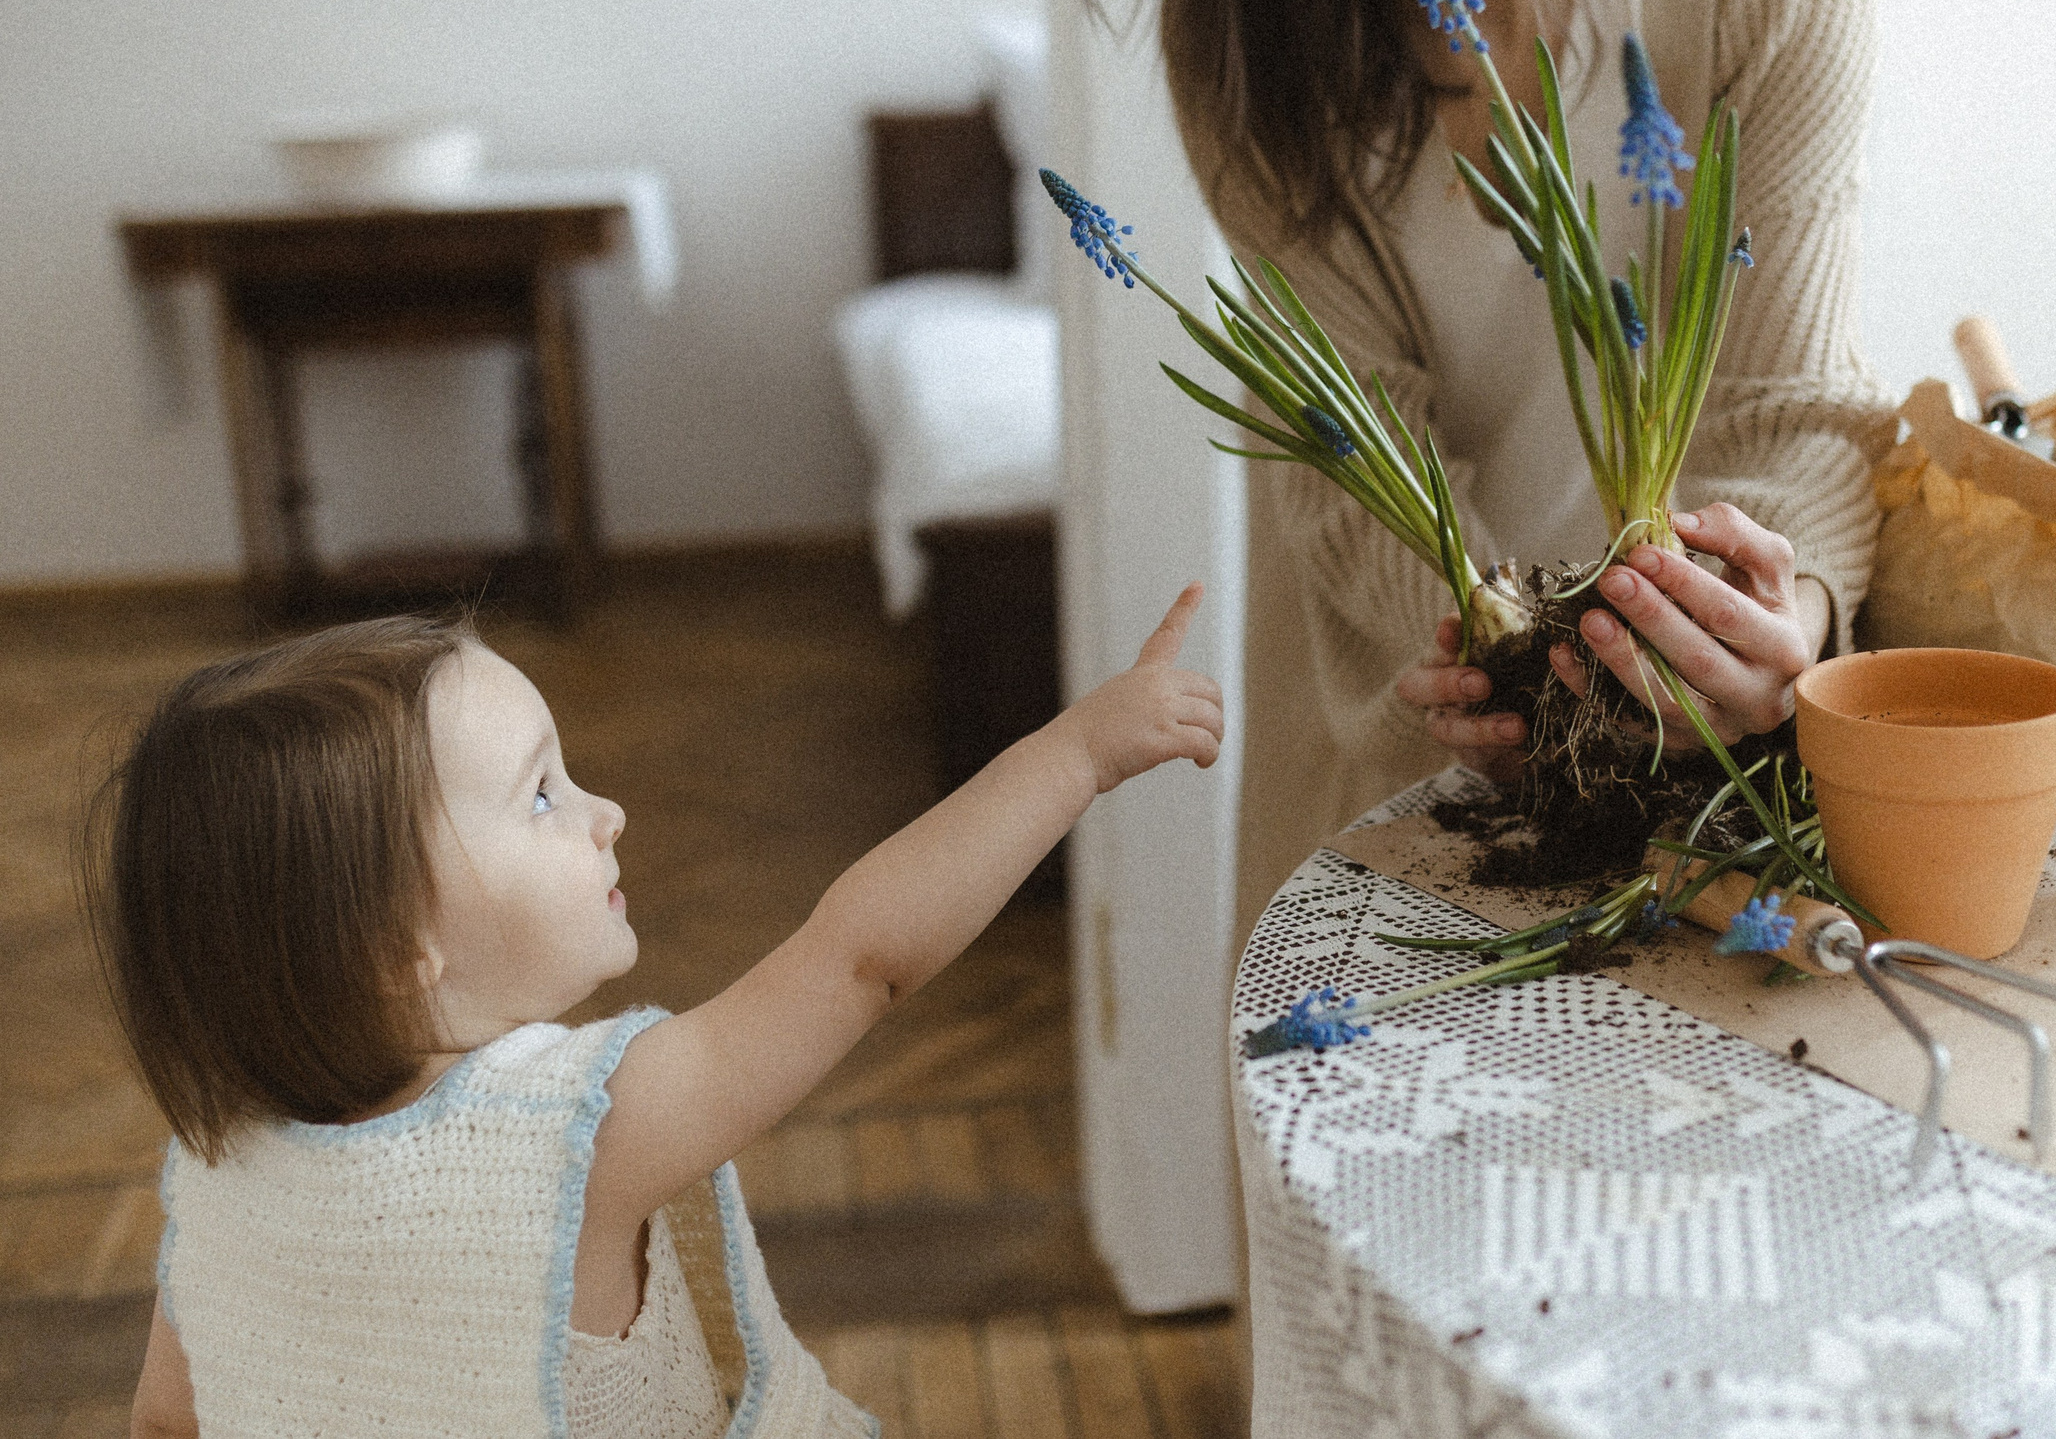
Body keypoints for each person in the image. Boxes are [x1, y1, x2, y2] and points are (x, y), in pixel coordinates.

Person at [1075, 0, 1895, 918]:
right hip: (1404, 748)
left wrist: (1775, 627)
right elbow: (1353, 442)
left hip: (1721, 774)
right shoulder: (1240, 27)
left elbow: (1791, 401)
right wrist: (1520, 681)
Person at [90, 596, 1222, 1438]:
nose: (606, 810)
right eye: (541, 793)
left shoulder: (217, 1173)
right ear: (396, 948)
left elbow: (162, 1421)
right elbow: (863, 957)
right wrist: (1071, 755)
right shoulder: (574, 1134)